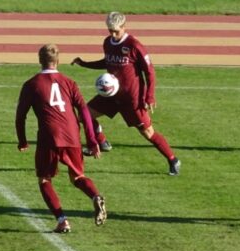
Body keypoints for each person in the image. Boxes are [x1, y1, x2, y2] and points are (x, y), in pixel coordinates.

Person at [72, 11, 181, 176]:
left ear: (124, 27)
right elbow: (106, 61)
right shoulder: (108, 42)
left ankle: (173, 160)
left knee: (148, 133)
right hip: (111, 95)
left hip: (132, 99)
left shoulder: (134, 46)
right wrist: (84, 64)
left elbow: (150, 71)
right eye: (110, 30)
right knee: (83, 115)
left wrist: (149, 96)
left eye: (116, 31)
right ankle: (102, 142)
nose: (113, 34)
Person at [15, 43, 107, 233]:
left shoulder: (31, 84)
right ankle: (95, 196)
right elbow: (83, 110)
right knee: (78, 176)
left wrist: (22, 140)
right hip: (72, 134)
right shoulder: (69, 82)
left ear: (40, 60)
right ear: (58, 61)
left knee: (44, 179)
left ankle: (62, 220)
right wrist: (92, 140)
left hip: (49, 136)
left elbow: (20, 116)